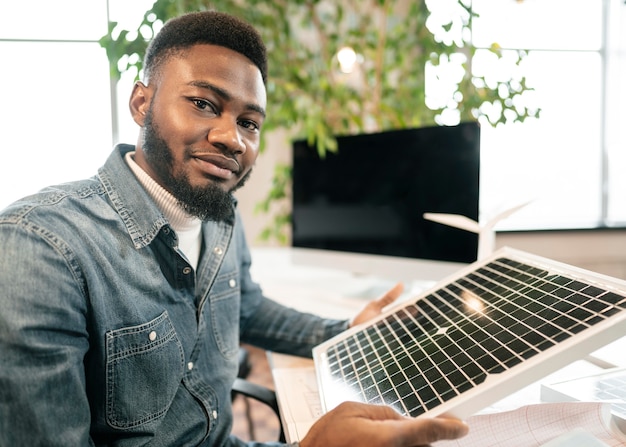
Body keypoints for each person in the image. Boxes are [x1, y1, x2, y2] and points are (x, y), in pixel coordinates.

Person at [0, 10, 469, 447]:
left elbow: (244, 306)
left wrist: (345, 329)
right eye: (204, 104)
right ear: (142, 102)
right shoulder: (40, 249)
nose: (232, 139)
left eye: (249, 122)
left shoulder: (218, 212)